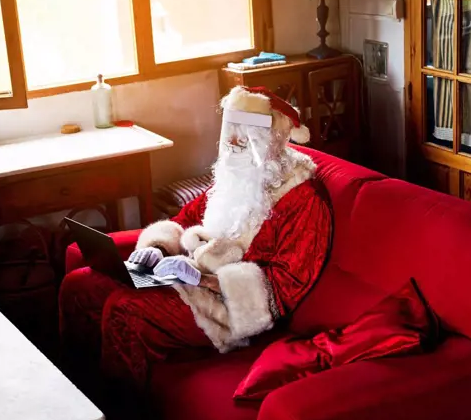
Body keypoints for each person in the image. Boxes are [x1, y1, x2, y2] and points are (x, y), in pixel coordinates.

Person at [60, 86, 332, 390]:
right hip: (190, 280)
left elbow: (284, 290)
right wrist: (156, 249)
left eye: (245, 132)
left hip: (235, 310)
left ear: (274, 138)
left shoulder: (304, 200)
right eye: (230, 128)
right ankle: (79, 393)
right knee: (80, 286)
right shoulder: (233, 178)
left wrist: (206, 281)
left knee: (125, 310)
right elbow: (183, 221)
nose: (231, 140)